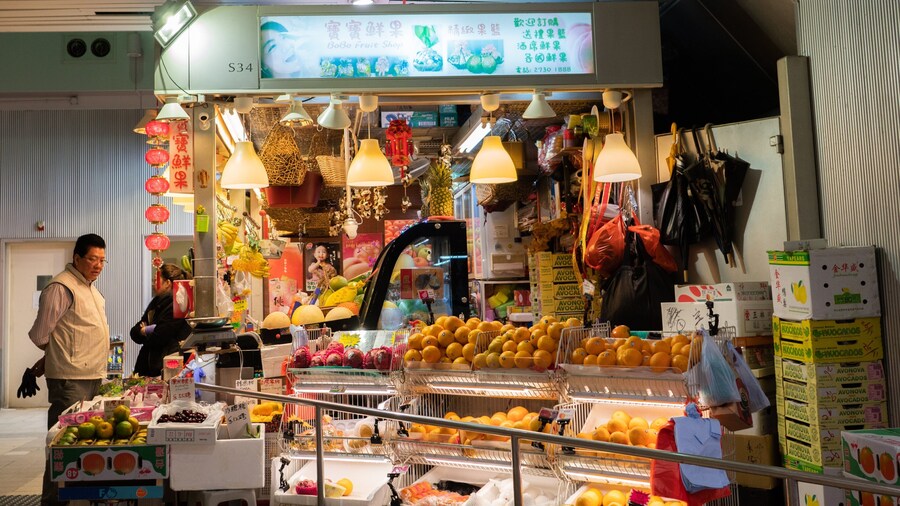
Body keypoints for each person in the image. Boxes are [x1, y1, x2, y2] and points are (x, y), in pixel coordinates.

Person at [28, 233, 109, 506]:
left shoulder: (89, 288)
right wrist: (58, 355)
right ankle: (53, 502)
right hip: (70, 379)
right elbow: (41, 334)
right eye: (92, 259)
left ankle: (77, 499)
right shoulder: (61, 288)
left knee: (84, 444)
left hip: (91, 375)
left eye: (102, 260)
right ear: (77, 258)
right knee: (62, 447)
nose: (98, 265)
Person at [129, 264, 192, 377]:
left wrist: (144, 330)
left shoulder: (177, 304)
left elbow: (160, 336)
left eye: (156, 280)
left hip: (165, 368)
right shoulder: (156, 303)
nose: (153, 284)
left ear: (167, 283)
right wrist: (148, 330)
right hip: (149, 367)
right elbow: (134, 332)